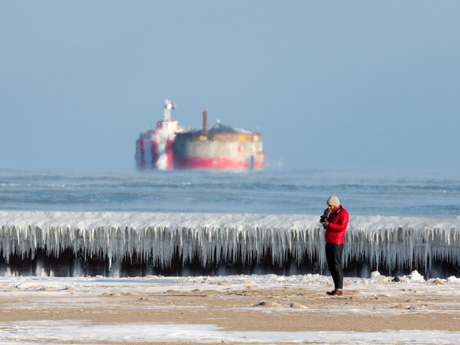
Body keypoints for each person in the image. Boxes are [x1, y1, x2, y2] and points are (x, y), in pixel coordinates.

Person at [320, 195, 349, 296]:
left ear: (336, 205)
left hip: (337, 242)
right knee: (331, 266)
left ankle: (339, 289)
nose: (329, 208)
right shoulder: (332, 214)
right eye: (328, 206)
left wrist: (328, 224)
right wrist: (325, 220)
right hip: (329, 241)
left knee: (337, 265)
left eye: (331, 206)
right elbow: (326, 227)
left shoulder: (343, 213)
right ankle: (336, 287)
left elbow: (341, 227)